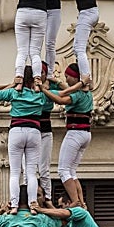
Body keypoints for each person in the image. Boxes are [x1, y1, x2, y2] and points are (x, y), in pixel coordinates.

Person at [0, 0, 76, 89]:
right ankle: (37, 80)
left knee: (22, 50)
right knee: (35, 51)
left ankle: (19, 78)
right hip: (39, 13)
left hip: (23, 11)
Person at [42, 65, 91, 206]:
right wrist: (56, 81)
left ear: (75, 78)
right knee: (72, 171)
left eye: (68, 76)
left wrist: (45, 90)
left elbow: (61, 99)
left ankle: (75, 201)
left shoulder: (76, 94)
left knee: (63, 170)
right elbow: (65, 88)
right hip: (86, 134)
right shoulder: (86, 92)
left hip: (75, 133)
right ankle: (81, 202)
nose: (66, 78)